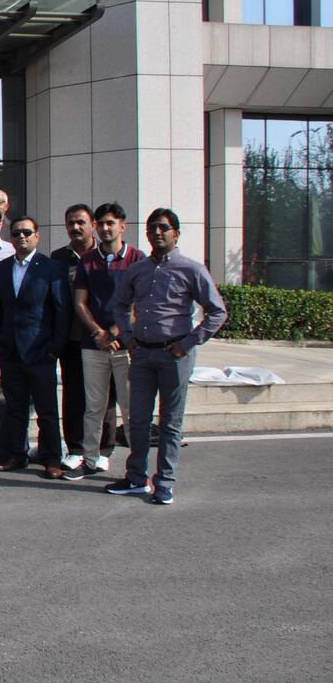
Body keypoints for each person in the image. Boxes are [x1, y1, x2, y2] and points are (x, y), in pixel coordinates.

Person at [107, 208, 226, 505]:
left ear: (176, 233)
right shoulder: (138, 269)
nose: (156, 233)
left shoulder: (191, 269)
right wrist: (128, 336)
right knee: (138, 420)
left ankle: (165, 482)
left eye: (163, 227)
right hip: (142, 354)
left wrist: (188, 342)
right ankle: (136, 478)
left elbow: (217, 312)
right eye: (151, 228)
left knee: (171, 423)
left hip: (175, 355)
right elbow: (120, 305)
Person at [65, 202, 145, 480]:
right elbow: (80, 303)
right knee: (94, 407)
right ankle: (90, 459)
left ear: (122, 226)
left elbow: (137, 304)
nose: (105, 228)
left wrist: (113, 332)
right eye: (100, 223)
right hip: (94, 345)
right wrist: (98, 333)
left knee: (131, 408)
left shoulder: (137, 259)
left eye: (110, 223)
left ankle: (137, 470)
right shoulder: (88, 260)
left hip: (126, 345)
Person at [0, 217, 71, 479]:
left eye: (27, 232)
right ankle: (17, 454)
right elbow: (0, 308)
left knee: (47, 411)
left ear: (37, 235)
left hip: (41, 351)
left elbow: (61, 310)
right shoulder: (2, 268)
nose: (21, 237)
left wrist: (54, 349)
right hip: (11, 351)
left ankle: (51, 458)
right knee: (15, 408)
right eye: (16, 233)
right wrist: (1, 343)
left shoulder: (50, 268)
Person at [51, 203, 98, 469]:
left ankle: (102, 448)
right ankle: (75, 447)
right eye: (71, 223)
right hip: (71, 338)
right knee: (73, 394)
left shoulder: (104, 255)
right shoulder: (59, 258)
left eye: (81, 222)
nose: (75, 227)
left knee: (102, 396)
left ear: (93, 224)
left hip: (102, 339)